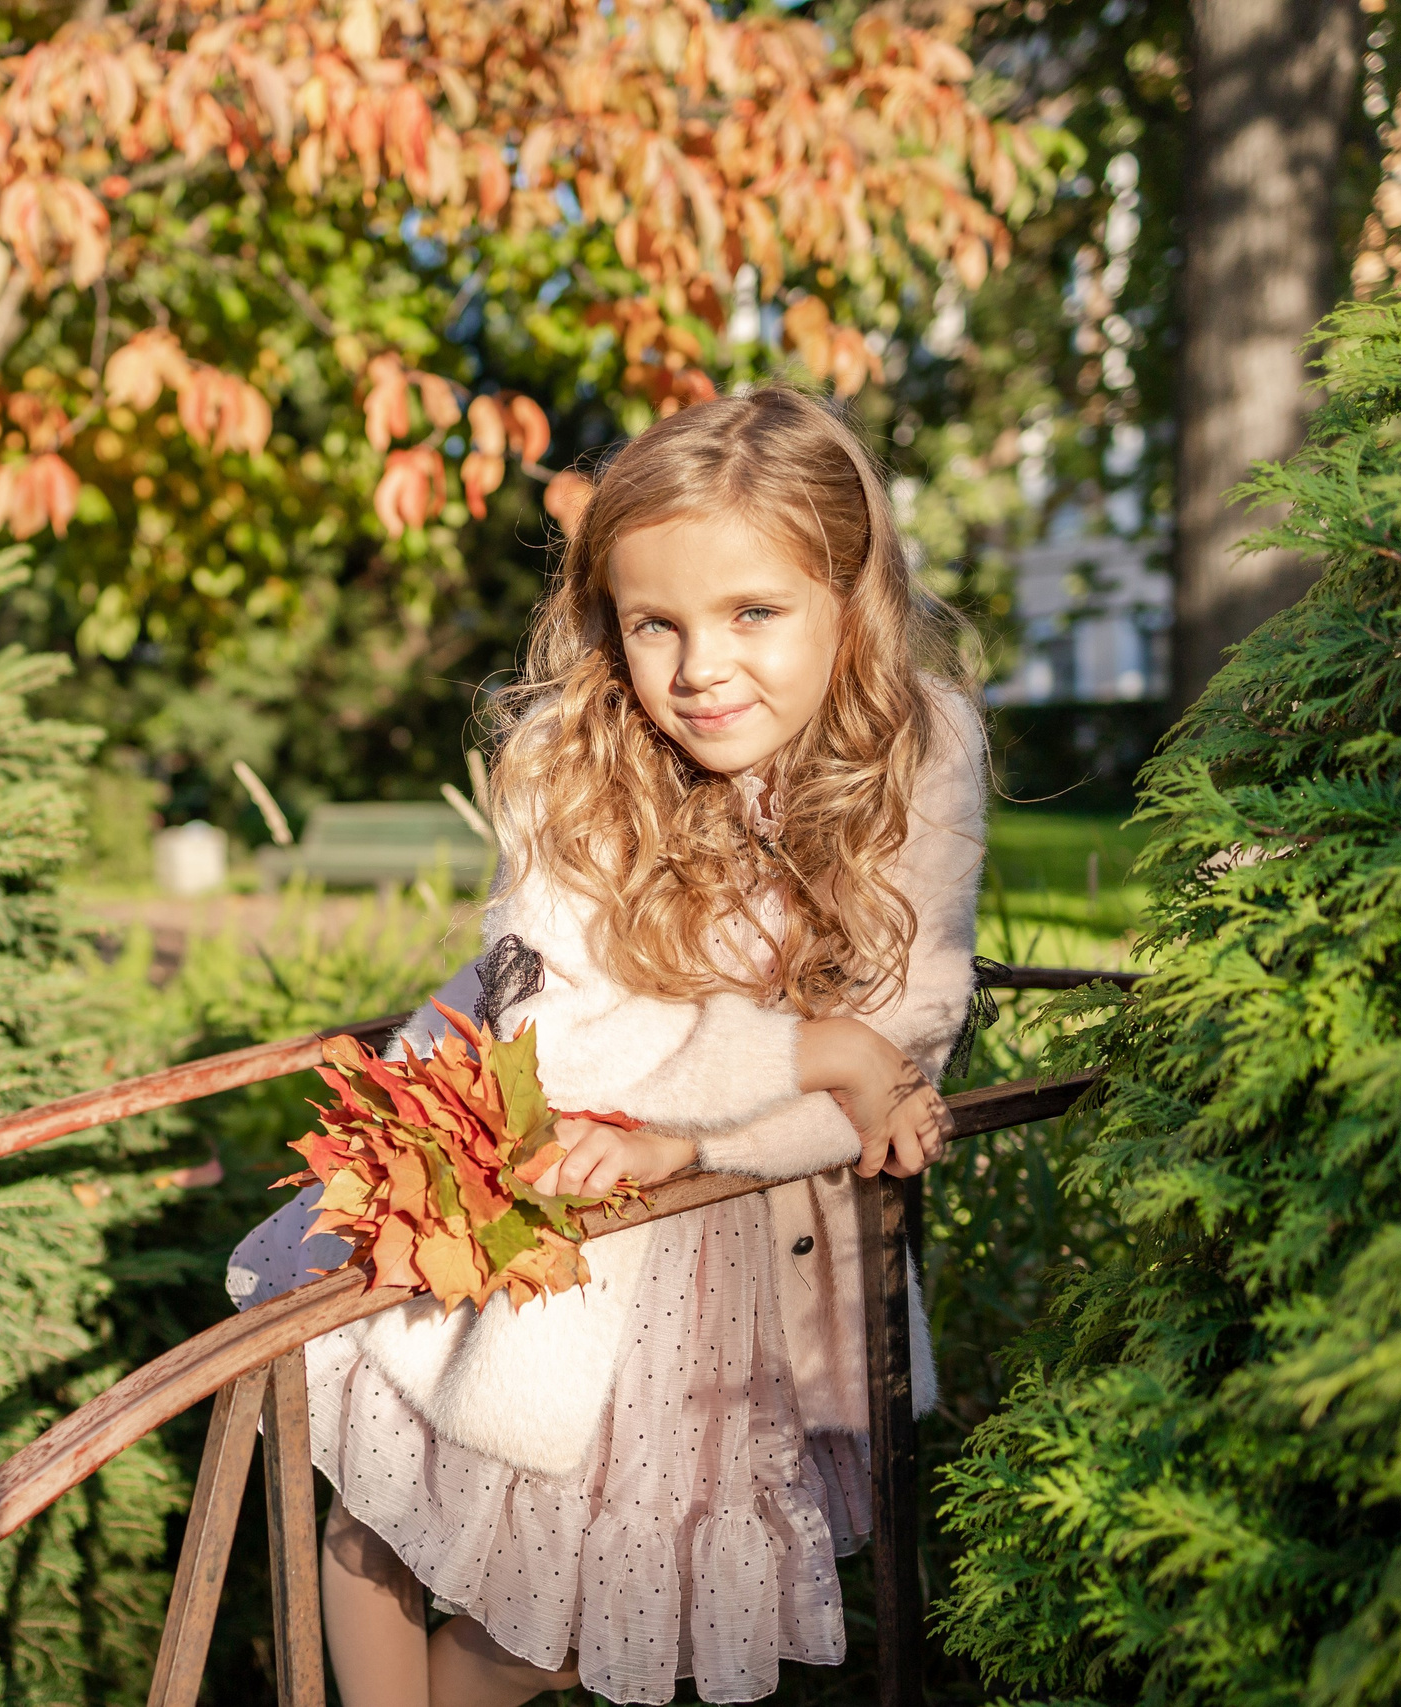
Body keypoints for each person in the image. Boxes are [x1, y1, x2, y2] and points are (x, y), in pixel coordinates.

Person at [226, 384, 987, 1706]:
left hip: (729, 1242)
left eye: (755, 612)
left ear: (849, 597)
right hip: (534, 1182)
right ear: (611, 624)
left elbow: (906, 1031)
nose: (701, 667)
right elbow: (567, 1046)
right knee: (391, 1506)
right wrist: (816, 1058)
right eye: (658, 624)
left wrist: (704, 1129)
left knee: (578, 1614)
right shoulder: (572, 757)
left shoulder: (927, 748)